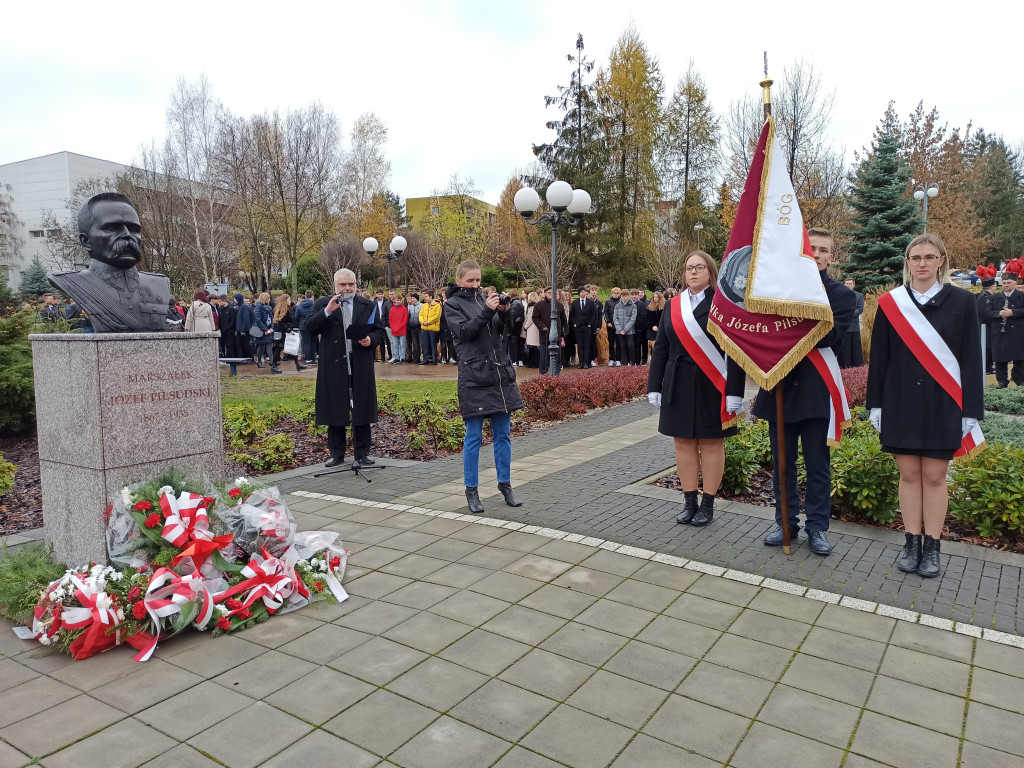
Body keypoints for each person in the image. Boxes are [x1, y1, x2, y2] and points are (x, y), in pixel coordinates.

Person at [867, 233, 983, 578]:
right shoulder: (891, 303)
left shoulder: (963, 302)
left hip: (943, 402)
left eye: (929, 257)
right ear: (907, 262)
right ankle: (911, 543)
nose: (922, 263)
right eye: (916, 257)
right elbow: (880, 359)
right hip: (900, 401)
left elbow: (971, 360)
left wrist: (971, 410)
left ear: (941, 261)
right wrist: (876, 404)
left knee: (934, 475)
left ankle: (932, 546)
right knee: (909, 473)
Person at [755, 228, 857, 556]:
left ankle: (817, 529)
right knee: (783, 465)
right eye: (810, 247)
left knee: (817, 465)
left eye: (822, 249)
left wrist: (795, 314)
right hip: (781, 388)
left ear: (831, 256)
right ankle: (784, 522)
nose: (815, 253)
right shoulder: (777, 290)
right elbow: (766, 333)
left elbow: (828, 337)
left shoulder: (842, 296)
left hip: (816, 392)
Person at [648, 251, 746, 526]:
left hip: (712, 383)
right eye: (689, 267)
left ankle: (708, 504)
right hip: (678, 381)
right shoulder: (673, 305)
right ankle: (689, 501)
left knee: (712, 442)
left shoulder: (723, 304)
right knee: (683, 442)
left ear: (710, 271)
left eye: (699, 267)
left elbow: (735, 350)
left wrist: (735, 391)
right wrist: (654, 385)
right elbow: (661, 349)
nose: (693, 272)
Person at [444, 260, 526, 514]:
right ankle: (472, 489)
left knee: (503, 435)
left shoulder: (484, 298)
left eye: (478, 280)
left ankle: (505, 484)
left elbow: (505, 332)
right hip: (474, 376)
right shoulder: (451, 305)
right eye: (470, 281)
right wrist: (488, 312)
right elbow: (465, 332)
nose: (476, 285)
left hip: (499, 374)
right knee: (474, 437)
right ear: (459, 280)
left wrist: (503, 311)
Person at [48, 192, 170, 333]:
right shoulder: (70, 282)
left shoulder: (159, 284)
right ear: (86, 241)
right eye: (112, 228)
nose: (127, 235)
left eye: (134, 229)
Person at [305, 269, 386, 466]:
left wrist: (370, 339)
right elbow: (308, 327)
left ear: (356, 285)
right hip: (334, 365)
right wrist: (327, 311)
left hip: (359, 363)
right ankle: (337, 453)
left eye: (351, 284)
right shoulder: (324, 303)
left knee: (362, 408)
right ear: (335, 286)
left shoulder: (367, 305)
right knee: (336, 408)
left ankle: (362, 452)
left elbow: (380, 332)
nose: (347, 288)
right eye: (343, 285)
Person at [989, 263, 1024, 388]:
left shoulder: (1021, 296)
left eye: (1008, 283)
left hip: (1017, 331)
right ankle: (1002, 380)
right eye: (1004, 283)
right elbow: (986, 312)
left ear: (1015, 283)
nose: (1005, 285)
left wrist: (1013, 312)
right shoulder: (995, 297)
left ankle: (1020, 379)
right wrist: (998, 313)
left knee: (1019, 356)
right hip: (1000, 331)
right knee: (1000, 357)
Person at [533, 287, 566, 375]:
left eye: (554, 293)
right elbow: (535, 318)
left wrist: (564, 330)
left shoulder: (559, 305)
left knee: (557, 357)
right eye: (549, 293)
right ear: (545, 293)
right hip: (545, 335)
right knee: (544, 357)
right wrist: (542, 327)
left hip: (557, 335)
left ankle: (556, 373)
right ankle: (544, 374)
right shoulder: (539, 305)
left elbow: (563, 320)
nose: (552, 295)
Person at [272, 294, 308, 372]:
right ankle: (274, 366)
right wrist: (288, 329)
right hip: (281, 332)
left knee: (292, 348)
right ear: (285, 301)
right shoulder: (283, 310)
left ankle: (297, 365)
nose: (290, 301)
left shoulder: (287, 309)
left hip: (284, 332)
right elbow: (280, 323)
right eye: (288, 299)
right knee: (278, 349)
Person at [975, 268, 999, 374]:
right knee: (987, 347)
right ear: (992, 286)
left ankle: (988, 366)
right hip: (985, 325)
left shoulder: (982, 295)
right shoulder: (986, 298)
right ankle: (987, 367)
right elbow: (986, 313)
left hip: (983, 325)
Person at [838, 278, 865, 368]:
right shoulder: (840, 296)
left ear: (854, 285)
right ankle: (844, 366)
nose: (848, 285)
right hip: (843, 327)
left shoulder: (859, 296)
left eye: (850, 284)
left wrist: (849, 315)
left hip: (854, 327)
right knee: (844, 349)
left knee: (855, 349)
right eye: (846, 283)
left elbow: (860, 308)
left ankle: (856, 368)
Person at [569, 287, 598, 368]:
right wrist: (574, 323)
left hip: (587, 326)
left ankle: (586, 362)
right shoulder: (575, 302)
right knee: (580, 345)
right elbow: (572, 314)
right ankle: (581, 362)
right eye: (582, 292)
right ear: (579, 293)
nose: (583, 293)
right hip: (578, 327)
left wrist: (590, 324)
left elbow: (594, 314)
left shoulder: (590, 302)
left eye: (585, 291)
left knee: (587, 344)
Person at [251, 292, 278, 372]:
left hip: (268, 329)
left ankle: (272, 362)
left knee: (269, 345)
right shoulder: (258, 308)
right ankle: (259, 361)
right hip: (261, 330)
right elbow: (258, 320)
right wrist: (265, 330)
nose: (269, 300)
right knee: (261, 345)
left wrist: (272, 328)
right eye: (268, 298)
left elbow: (272, 318)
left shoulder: (269, 307)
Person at [293, 290, 318, 365]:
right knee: (313, 342)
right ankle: (312, 359)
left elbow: (296, 317)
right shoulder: (315, 305)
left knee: (306, 343)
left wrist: (301, 323)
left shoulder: (299, 306)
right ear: (312, 296)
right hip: (313, 326)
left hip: (303, 326)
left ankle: (307, 359)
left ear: (305, 296)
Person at [613, 290, 637, 366]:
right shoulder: (617, 306)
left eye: (626, 296)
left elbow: (632, 319)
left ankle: (632, 362)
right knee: (622, 346)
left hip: (629, 331)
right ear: (621, 296)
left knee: (630, 345)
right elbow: (615, 318)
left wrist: (625, 329)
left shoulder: (633, 306)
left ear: (628, 296)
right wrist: (620, 329)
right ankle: (624, 363)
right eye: (623, 296)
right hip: (620, 331)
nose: (624, 297)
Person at [419, 290, 441, 364]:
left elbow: (437, 316)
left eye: (426, 296)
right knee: (425, 344)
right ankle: (426, 359)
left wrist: (428, 322)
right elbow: (420, 315)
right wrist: (422, 322)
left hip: (433, 328)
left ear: (431, 297)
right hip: (424, 328)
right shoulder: (424, 305)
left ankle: (434, 359)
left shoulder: (437, 305)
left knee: (433, 344)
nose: (424, 298)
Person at [372, 289, 394, 363]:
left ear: (383, 294)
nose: (380, 295)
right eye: (378, 294)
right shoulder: (374, 303)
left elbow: (385, 313)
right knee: (381, 341)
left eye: (381, 294)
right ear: (376, 295)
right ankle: (382, 357)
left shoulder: (387, 302)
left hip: (386, 323)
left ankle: (391, 355)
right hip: (379, 322)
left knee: (388, 340)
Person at [506, 289, 525, 367]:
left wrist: (509, 325)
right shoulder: (518, 302)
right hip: (517, 325)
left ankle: (514, 360)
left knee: (513, 343)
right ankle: (519, 360)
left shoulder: (514, 303)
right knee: (517, 343)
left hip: (514, 326)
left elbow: (512, 315)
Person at [389, 291, 408, 363]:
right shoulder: (392, 309)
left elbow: (405, 320)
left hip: (402, 330)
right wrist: (393, 327)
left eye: (400, 300)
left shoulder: (404, 309)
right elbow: (390, 320)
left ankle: (402, 357)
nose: (399, 301)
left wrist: (399, 327)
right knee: (395, 345)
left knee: (402, 345)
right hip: (394, 330)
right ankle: (396, 357)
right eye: (398, 300)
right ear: (394, 300)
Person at [645, 291, 665, 362]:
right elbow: (647, 320)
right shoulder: (649, 307)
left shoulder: (664, 308)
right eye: (654, 297)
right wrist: (652, 327)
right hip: (652, 330)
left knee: (660, 346)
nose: (655, 299)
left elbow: (664, 319)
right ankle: (654, 361)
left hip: (661, 330)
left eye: (657, 297)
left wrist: (659, 327)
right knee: (654, 347)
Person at [233, 293, 253, 361]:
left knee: (245, 345)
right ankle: (242, 358)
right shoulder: (240, 306)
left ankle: (250, 358)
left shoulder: (244, 307)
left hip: (243, 331)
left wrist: (243, 330)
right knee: (240, 345)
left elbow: (245, 319)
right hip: (240, 330)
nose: (234, 300)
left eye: (235, 299)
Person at [604, 287, 621, 365]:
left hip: (619, 325)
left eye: (617, 293)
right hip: (610, 325)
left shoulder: (621, 301)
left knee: (618, 343)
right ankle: (611, 359)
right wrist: (608, 322)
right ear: (612, 293)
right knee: (611, 342)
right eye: (615, 293)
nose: (616, 295)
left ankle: (618, 359)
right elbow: (605, 312)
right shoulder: (608, 301)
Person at [523, 291, 540, 367]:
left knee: (534, 346)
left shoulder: (533, 306)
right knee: (532, 346)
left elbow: (530, 318)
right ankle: (532, 362)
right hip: (533, 328)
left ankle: (534, 362)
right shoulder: (533, 305)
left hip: (532, 327)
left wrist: (525, 326)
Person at [440, 291, 458, 364]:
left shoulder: (452, 305)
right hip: (442, 328)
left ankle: (451, 357)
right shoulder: (440, 306)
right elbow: (440, 318)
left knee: (451, 344)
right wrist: (442, 327)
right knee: (443, 345)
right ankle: (443, 358)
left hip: (450, 328)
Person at [406, 293, 423, 364]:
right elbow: (409, 316)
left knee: (421, 343)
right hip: (412, 327)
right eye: (411, 298)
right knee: (415, 344)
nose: (412, 300)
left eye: (413, 298)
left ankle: (425, 358)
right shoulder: (410, 307)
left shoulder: (422, 306)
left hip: (420, 327)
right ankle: (416, 358)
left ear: (417, 299)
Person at [633, 290, 649, 364]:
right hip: (635, 327)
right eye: (638, 293)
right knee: (637, 344)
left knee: (644, 343)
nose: (640, 294)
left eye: (641, 293)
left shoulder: (646, 302)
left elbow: (643, 316)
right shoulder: (633, 303)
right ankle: (637, 359)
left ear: (644, 293)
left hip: (643, 326)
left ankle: (644, 359)